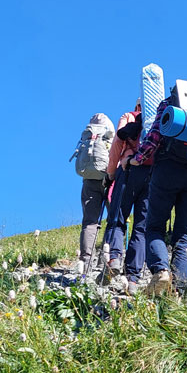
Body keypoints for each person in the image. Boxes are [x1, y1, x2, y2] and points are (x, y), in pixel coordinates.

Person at [129, 95, 187, 297]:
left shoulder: (171, 102)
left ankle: (161, 270)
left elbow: (155, 136)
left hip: (168, 169)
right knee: (183, 239)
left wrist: (138, 159)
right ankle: (180, 292)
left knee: (154, 228)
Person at [103, 101, 151, 294]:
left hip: (128, 168)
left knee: (117, 217)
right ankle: (133, 278)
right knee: (141, 226)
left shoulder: (129, 117)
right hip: (152, 174)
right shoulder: (160, 120)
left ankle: (114, 257)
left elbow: (117, 142)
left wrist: (111, 173)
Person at [77, 113, 114, 265]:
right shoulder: (110, 131)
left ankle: (86, 259)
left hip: (89, 179)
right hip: (109, 178)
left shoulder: (88, 133)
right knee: (113, 219)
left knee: (90, 222)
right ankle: (105, 258)